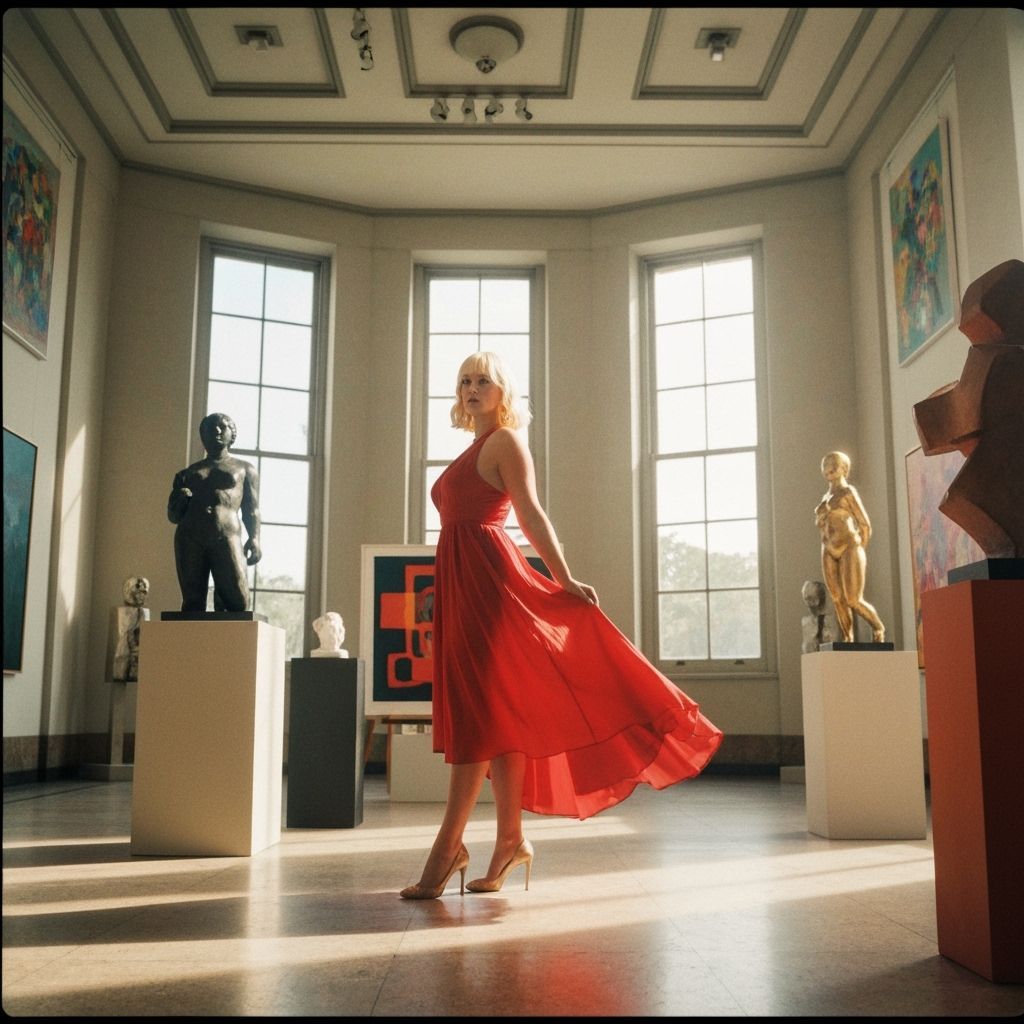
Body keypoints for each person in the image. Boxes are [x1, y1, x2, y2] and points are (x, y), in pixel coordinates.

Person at [399, 352, 723, 900]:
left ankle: (446, 849)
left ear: (503, 391)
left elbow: (530, 514)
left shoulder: (505, 442)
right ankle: (510, 840)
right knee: (496, 717)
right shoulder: (474, 449)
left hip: (489, 585)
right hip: (461, 583)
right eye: (465, 381)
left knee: (478, 718)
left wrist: (563, 577)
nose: (472, 388)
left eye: (483, 381)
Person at [167, 412, 261, 613]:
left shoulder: (245, 469)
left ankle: (223, 616)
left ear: (232, 434)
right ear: (203, 436)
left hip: (226, 534)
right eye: (210, 428)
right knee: (192, 603)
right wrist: (180, 498)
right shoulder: (187, 474)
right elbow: (173, 516)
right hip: (190, 537)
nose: (217, 430)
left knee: (237, 603)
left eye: (222, 426)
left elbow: (251, 509)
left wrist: (254, 537)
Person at [813, 451, 886, 643]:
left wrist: (859, 549)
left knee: (853, 599)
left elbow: (865, 524)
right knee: (837, 598)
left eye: (833, 464)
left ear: (844, 469)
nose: (828, 468)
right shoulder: (825, 496)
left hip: (849, 546)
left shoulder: (848, 493)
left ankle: (878, 628)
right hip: (828, 548)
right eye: (825, 464)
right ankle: (848, 638)